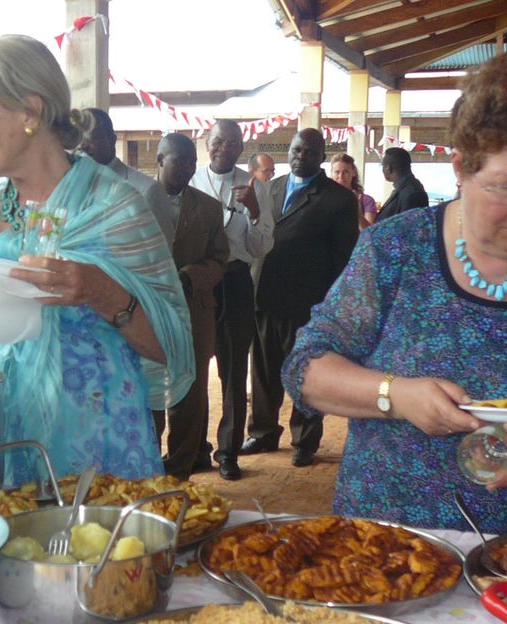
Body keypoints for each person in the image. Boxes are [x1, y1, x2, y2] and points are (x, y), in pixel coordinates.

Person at [283, 53, 507, 534]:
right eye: (506, 186)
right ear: (460, 167)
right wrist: (396, 395)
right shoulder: (394, 250)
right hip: (382, 542)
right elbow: (306, 367)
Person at [0, 34, 194, 483]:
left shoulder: (113, 209)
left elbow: (172, 348)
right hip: (1, 453)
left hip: (98, 465)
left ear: (29, 112)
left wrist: (99, 291)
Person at [242, 128, 358, 468]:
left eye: (308, 152)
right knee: (263, 371)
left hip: (307, 303)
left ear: (321, 157)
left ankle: (304, 442)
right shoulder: (271, 188)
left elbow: (343, 259)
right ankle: (263, 432)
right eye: (295, 150)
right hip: (264, 296)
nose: (299, 156)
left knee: (306, 374)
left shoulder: (338, 200)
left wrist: (330, 308)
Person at [190, 119, 274, 480]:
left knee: (233, 370)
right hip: (198, 284)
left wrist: (255, 210)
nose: (222, 148)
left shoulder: (256, 186)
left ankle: (228, 452)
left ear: (241, 148)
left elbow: (261, 247)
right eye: (216, 141)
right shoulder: (190, 181)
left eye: (231, 143)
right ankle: (196, 449)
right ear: (207, 143)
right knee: (193, 370)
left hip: (237, 280)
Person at [152, 132, 229, 480]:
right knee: (148, 387)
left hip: (193, 310)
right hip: (145, 312)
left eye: (190, 162)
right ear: (159, 160)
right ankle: (147, 461)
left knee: (190, 391)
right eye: (178, 160)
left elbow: (220, 258)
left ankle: (180, 467)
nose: (186, 168)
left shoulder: (208, 207)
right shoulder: (136, 200)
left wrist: (189, 276)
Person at [78, 108, 175, 248]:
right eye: (77, 139)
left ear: (112, 140)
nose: (82, 146)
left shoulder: (147, 191)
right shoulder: (65, 188)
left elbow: (160, 258)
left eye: (92, 138)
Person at [375, 146, 429, 221]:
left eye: (382, 166)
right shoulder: (404, 189)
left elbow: (408, 228)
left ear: (388, 169)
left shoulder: (412, 193)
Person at [330, 152, 376, 231]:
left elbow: (369, 233)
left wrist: (358, 213)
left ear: (353, 173)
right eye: (337, 172)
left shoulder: (366, 200)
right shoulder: (324, 199)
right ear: (331, 173)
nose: (341, 176)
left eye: (346, 172)